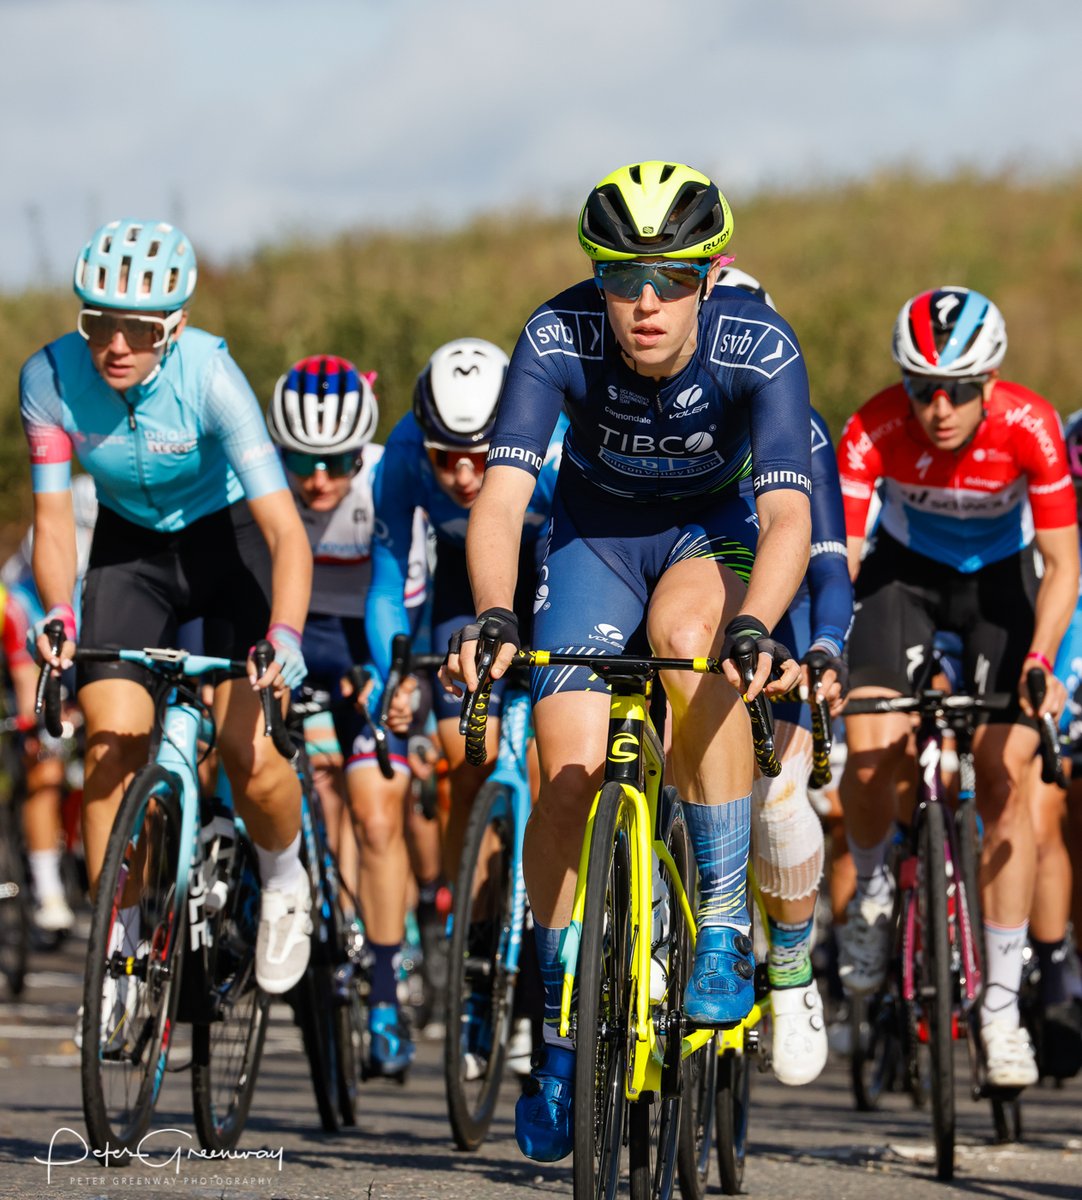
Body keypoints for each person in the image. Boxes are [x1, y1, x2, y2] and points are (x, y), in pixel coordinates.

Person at [446, 162, 812, 1162]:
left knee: (693, 648)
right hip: (593, 539)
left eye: (670, 278)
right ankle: (559, 1030)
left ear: (708, 275)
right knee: (562, 770)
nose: (643, 302)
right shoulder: (554, 335)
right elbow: (503, 495)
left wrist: (759, 621)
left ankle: (726, 922)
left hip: (707, 536)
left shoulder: (758, 347)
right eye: (619, 277)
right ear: (595, 277)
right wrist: (490, 612)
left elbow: (785, 510)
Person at [20, 218, 315, 995]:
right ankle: (115, 947)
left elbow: (286, 532)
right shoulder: (48, 380)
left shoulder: (212, 378)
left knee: (250, 757)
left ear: (175, 327)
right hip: (132, 553)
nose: (116, 345)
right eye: (98, 323)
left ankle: (285, 880)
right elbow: (52, 522)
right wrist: (56, 611)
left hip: (232, 544)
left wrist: (284, 631)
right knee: (111, 744)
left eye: (140, 330)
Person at [836, 285, 1080, 1088]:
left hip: (999, 593)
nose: (939, 408)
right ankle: (873, 894)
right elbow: (838, 555)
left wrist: (1041, 661)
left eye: (960, 390)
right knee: (869, 746)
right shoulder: (871, 427)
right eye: (921, 388)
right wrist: (827, 648)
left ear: (992, 380)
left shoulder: (1031, 425)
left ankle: (1003, 1009)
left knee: (1007, 775)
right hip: (903, 583)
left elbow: (1064, 565)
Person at [367, 336, 565, 1078]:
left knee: (555, 772)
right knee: (465, 758)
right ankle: (476, 942)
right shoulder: (404, 451)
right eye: (443, 453)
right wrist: (398, 668)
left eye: (476, 455)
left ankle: (552, 958)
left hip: (553, 570)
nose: (458, 474)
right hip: (466, 585)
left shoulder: (553, 442)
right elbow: (388, 576)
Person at [267, 353, 425, 1076]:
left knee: (377, 811)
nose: (319, 479)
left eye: (334, 460)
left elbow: (405, 597)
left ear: (358, 452)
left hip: (369, 640)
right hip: (297, 635)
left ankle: (387, 992)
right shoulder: (262, 482)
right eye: (301, 459)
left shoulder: (384, 478)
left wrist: (387, 676)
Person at [716, 267, 854, 1087]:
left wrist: (827, 646)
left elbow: (829, 566)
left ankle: (792, 969)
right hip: (693, 598)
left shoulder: (798, 424)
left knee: (775, 794)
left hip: (784, 611)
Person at [2, 474, 98, 935]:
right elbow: (24, 663)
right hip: (30, 654)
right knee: (48, 762)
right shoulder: (42, 557)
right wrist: (45, 721)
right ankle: (47, 891)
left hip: (87, 649)